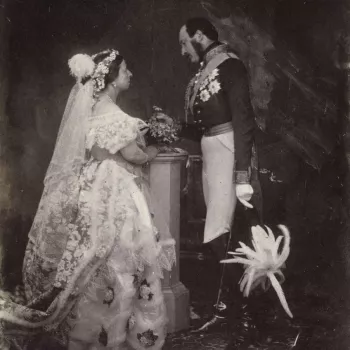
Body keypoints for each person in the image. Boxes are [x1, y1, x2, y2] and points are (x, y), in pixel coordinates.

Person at [0, 49, 176, 350]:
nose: (129, 75)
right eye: (124, 71)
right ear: (109, 80)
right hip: (116, 189)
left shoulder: (90, 111)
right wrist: (156, 148)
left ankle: (88, 333)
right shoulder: (119, 118)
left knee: (94, 256)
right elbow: (134, 156)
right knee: (124, 255)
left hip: (91, 186)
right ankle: (121, 335)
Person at [178, 17, 259, 338]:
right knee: (220, 233)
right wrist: (172, 127)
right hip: (211, 152)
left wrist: (242, 174)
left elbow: (244, 121)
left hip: (228, 152)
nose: (183, 51)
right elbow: (202, 124)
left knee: (219, 233)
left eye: (185, 42)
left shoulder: (230, 66)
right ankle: (234, 308)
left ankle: (236, 310)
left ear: (200, 36)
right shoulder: (203, 70)